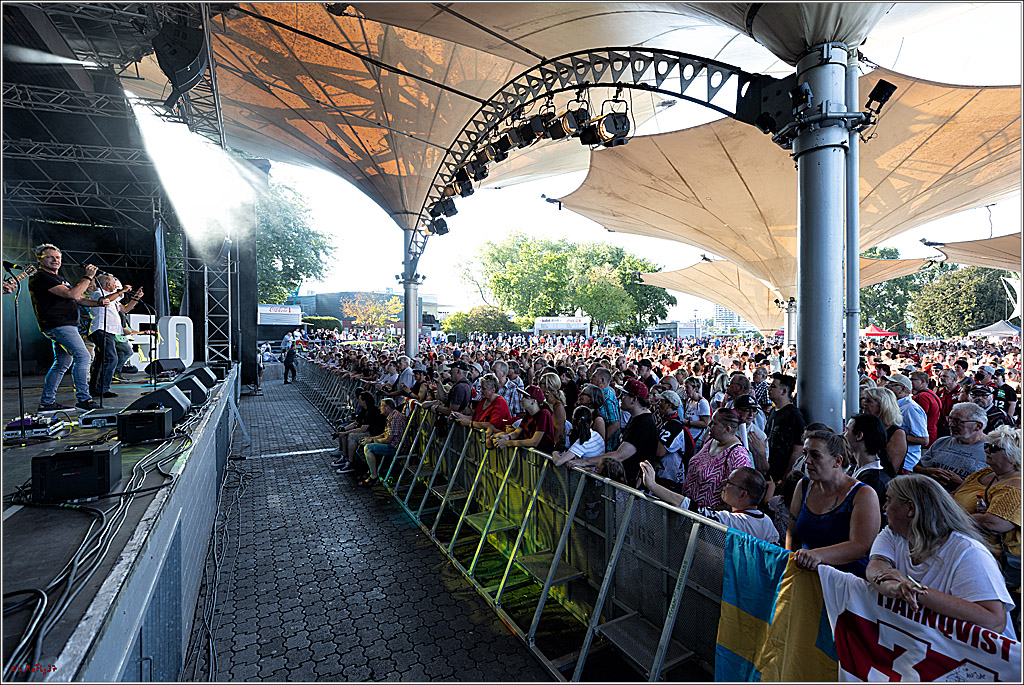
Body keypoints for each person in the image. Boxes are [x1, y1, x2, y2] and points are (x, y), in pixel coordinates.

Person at [868, 475, 1015, 636]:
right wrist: (896, 587)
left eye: (889, 500)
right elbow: (876, 569)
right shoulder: (893, 533)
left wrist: (915, 589)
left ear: (911, 508)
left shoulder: (969, 552)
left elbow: (994, 621)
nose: (884, 507)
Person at [951, 426, 1021, 631]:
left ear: (1012, 454)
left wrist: (950, 516)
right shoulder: (985, 473)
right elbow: (955, 494)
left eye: (994, 448)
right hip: (968, 552)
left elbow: (993, 523)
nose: (987, 450)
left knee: (993, 621)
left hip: (997, 564)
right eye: (987, 446)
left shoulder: (1017, 487)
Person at [28, 244, 112, 412]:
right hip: (59, 324)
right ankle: (83, 399)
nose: (55, 260)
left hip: (66, 325)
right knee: (83, 356)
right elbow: (72, 294)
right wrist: (88, 277)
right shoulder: (41, 277)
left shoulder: (59, 278)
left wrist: (98, 303)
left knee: (61, 364)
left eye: (58, 257)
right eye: (50, 257)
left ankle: (47, 402)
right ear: (39, 259)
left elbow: (78, 299)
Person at [788, 429, 881, 578]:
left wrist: (817, 555)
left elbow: (861, 546)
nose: (807, 461)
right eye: (805, 454)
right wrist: (791, 564)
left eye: (815, 455)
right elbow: (791, 534)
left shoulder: (863, 494)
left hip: (847, 582)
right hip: (809, 578)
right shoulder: (804, 486)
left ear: (837, 461)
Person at [640, 462, 779, 544]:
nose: (723, 483)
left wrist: (653, 485)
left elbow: (689, 506)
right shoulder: (767, 522)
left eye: (729, 482)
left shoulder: (733, 521)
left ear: (743, 494)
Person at [554, 379, 657, 485]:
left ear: (634, 399)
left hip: (633, 486)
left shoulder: (643, 424)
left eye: (623, 394)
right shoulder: (636, 418)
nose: (619, 397)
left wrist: (584, 462)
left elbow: (619, 455)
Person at [681, 408, 753, 510]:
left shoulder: (738, 455)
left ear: (727, 429)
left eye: (714, 423)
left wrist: (711, 515)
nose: (709, 426)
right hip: (687, 508)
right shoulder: (710, 440)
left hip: (706, 517)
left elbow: (735, 499)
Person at [87, 274, 140, 399]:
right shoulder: (98, 293)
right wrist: (121, 291)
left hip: (110, 331)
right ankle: (102, 389)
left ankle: (96, 388)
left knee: (102, 360)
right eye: (114, 283)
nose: (116, 285)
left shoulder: (114, 299)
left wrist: (136, 298)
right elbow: (106, 299)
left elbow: (125, 309)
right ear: (108, 285)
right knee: (111, 358)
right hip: (101, 329)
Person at [914, 402, 988, 491]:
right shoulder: (941, 442)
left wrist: (961, 485)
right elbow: (916, 467)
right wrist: (928, 471)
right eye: (950, 419)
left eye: (957, 421)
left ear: (978, 426)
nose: (951, 425)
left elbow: (993, 491)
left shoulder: (992, 451)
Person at [844, 413, 892, 512]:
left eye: (847, 430)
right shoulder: (857, 468)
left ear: (859, 436)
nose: (843, 435)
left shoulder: (873, 480)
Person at [356, 398, 407, 487]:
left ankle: (374, 477)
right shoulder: (391, 416)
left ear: (386, 407)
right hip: (391, 444)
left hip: (395, 447)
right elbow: (384, 434)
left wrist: (371, 440)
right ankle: (368, 471)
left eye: (381, 406)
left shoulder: (395, 418)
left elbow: (388, 439)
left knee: (368, 448)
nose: (379, 408)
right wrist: (370, 438)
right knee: (363, 444)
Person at [883, 374, 929, 472]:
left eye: (891, 384)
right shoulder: (897, 405)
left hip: (906, 464)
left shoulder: (910, 408)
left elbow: (924, 440)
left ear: (903, 389)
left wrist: (894, 435)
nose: (886, 387)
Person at [765, 373, 807, 482]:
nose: (769, 388)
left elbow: (798, 450)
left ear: (784, 391)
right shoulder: (773, 411)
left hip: (782, 476)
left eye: (773, 386)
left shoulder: (794, 416)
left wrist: (786, 478)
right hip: (771, 472)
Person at [493, 385, 555, 454]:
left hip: (541, 458)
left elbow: (534, 442)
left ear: (533, 401)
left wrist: (507, 443)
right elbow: (517, 432)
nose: (521, 399)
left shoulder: (544, 414)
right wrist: (507, 437)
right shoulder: (528, 414)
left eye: (525, 397)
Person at [652, 389, 693, 492]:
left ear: (669, 404)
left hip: (670, 478)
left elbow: (659, 451)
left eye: (661, 401)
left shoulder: (674, 425)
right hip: (665, 475)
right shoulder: (668, 421)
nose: (659, 404)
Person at [860, 386, 906, 475]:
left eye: (869, 401)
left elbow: (891, 470)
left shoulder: (897, 433)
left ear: (883, 405)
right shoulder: (866, 427)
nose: (863, 403)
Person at [454, 373, 512, 438]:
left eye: (484, 388)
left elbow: (491, 425)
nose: (481, 390)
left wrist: (470, 423)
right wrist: (459, 416)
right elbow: (474, 418)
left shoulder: (500, 403)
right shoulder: (484, 400)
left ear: (493, 390)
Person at [681, 376, 711, 450]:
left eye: (687, 387)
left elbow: (706, 423)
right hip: (689, 437)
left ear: (696, 389)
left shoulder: (702, 402)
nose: (685, 390)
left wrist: (688, 422)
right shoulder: (689, 401)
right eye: (684, 387)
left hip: (697, 440)